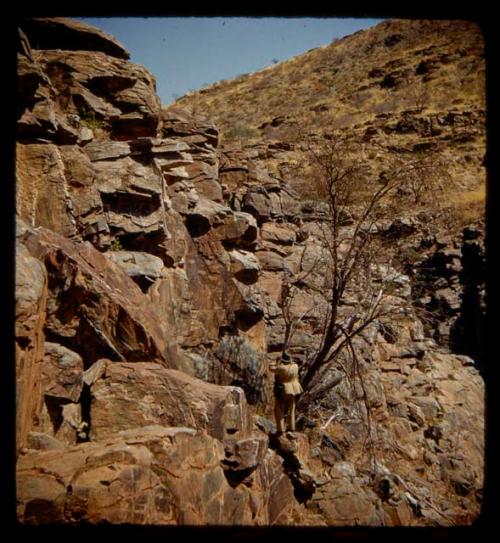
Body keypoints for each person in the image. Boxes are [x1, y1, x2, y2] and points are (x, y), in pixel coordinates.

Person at [270, 352, 303, 433]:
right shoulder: (295, 366)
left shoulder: (281, 368)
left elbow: (271, 368)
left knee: (279, 408)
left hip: (284, 389)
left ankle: (280, 429)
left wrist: (277, 361)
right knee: (292, 408)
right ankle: (292, 427)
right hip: (294, 389)